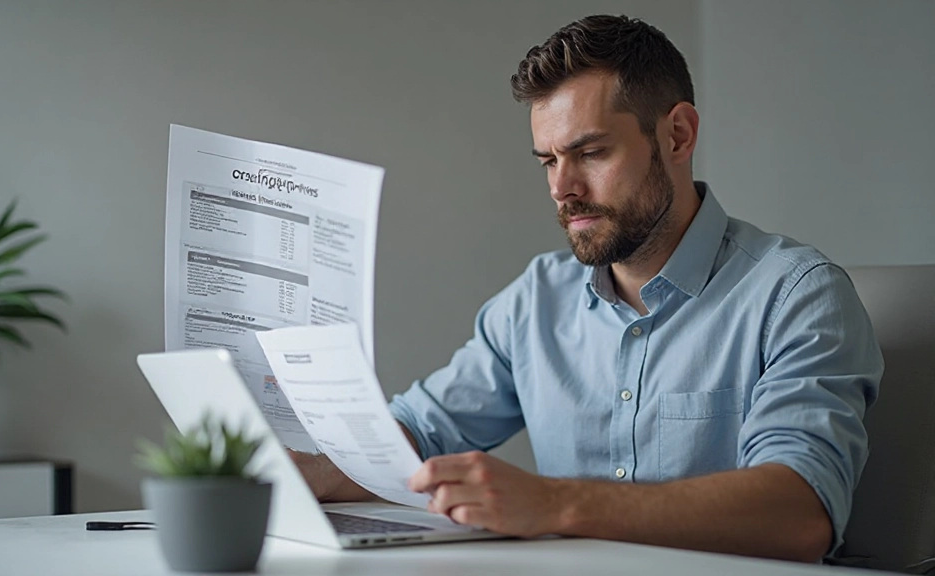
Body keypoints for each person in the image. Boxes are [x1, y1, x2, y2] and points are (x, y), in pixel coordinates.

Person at [291, 14, 883, 563]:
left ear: (677, 135)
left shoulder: (797, 297)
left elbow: (801, 513)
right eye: (548, 161)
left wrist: (556, 504)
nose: (561, 188)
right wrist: (296, 473)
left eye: (590, 152)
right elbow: (416, 435)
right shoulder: (535, 302)